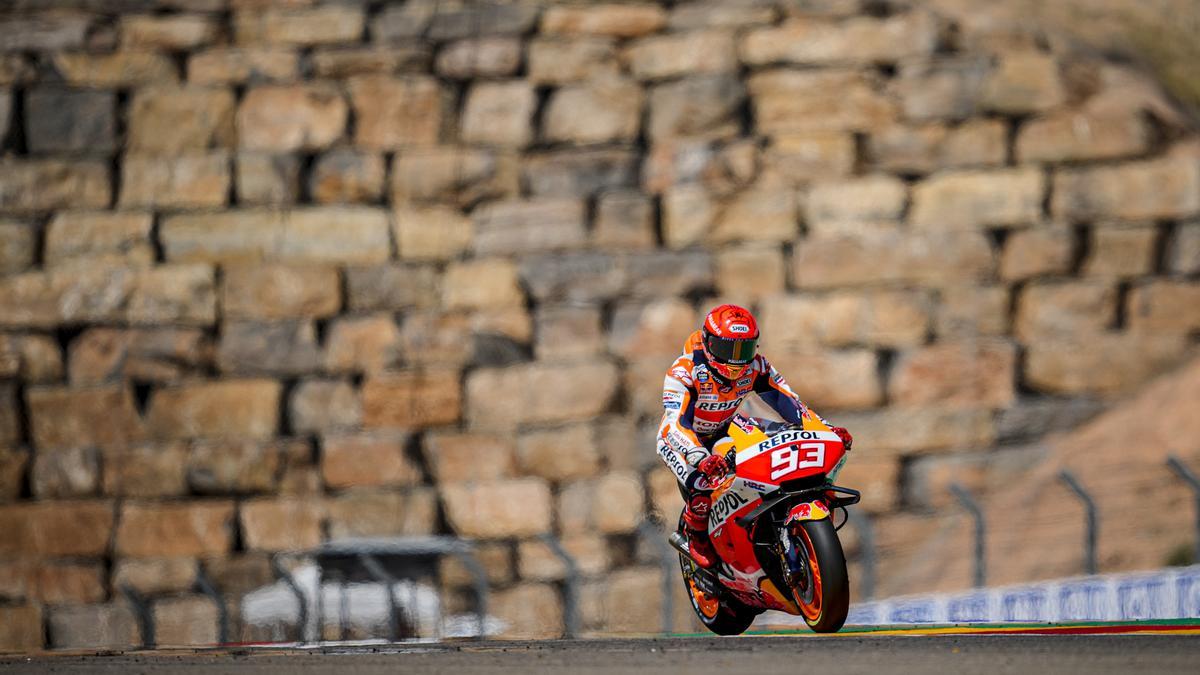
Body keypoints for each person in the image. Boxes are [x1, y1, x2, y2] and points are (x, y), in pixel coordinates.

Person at [657, 303, 853, 569]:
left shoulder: (757, 367)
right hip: (682, 440)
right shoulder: (684, 371)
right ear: (709, 343)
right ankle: (696, 537)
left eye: (745, 349)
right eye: (729, 349)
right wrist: (699, 457)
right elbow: (675, 423)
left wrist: (825, 430)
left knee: (775, 449)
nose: (737, 359)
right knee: (703, 483)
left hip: (726, 427)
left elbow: (789, 402)